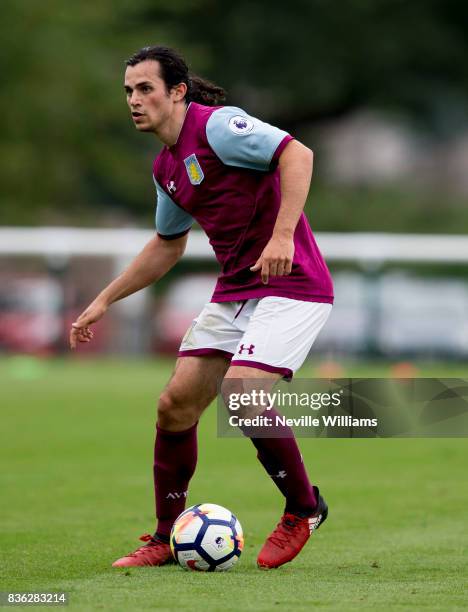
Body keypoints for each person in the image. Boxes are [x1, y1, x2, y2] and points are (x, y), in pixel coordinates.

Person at [70, 45, 334, 570]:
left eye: (145, 89)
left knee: (240, 393)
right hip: (236, 292)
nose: (134, 100)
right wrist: (103, 299)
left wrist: (283, 236)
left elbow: (296, 154)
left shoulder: (218, 128)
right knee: (174, 406)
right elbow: (168, 244)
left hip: (293, 284)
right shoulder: (166, 166)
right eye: (128, 91)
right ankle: (166, 538)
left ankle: (304, 508)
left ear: (178, 92)